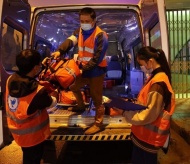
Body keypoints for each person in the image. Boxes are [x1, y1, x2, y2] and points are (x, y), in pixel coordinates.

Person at [51, 7, 108, 135]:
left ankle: (99, 124)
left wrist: (82, 70)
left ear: (94, 20)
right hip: (85, 70)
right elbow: (71, 41)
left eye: (87, 21)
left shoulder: (101, 36)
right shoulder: (80, 31)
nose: (84, 23)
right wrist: (60, 51)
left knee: (97, 97)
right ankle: (81, 105)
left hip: (97, 71)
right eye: (82, 21)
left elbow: (97, 59)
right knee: (73, 87)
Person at [114, 46, 175, 164]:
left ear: (150, 62)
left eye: (142, 64)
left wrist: (124, 113)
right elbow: (144, 104)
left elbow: (148, 115)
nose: (142, 68)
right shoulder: (156, 78)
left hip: (149, 139)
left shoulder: (158, 83)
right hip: (143, 136)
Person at [5, 49, 58, 164]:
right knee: (33, 159)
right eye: (38, 65)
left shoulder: (11, 80)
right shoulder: (38, 91)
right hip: (33, 136)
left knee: (28, 156)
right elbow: (52, 102)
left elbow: (28, 80)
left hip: (17, 131)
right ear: (34, 68)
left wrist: (41, 67)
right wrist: (54, 94)